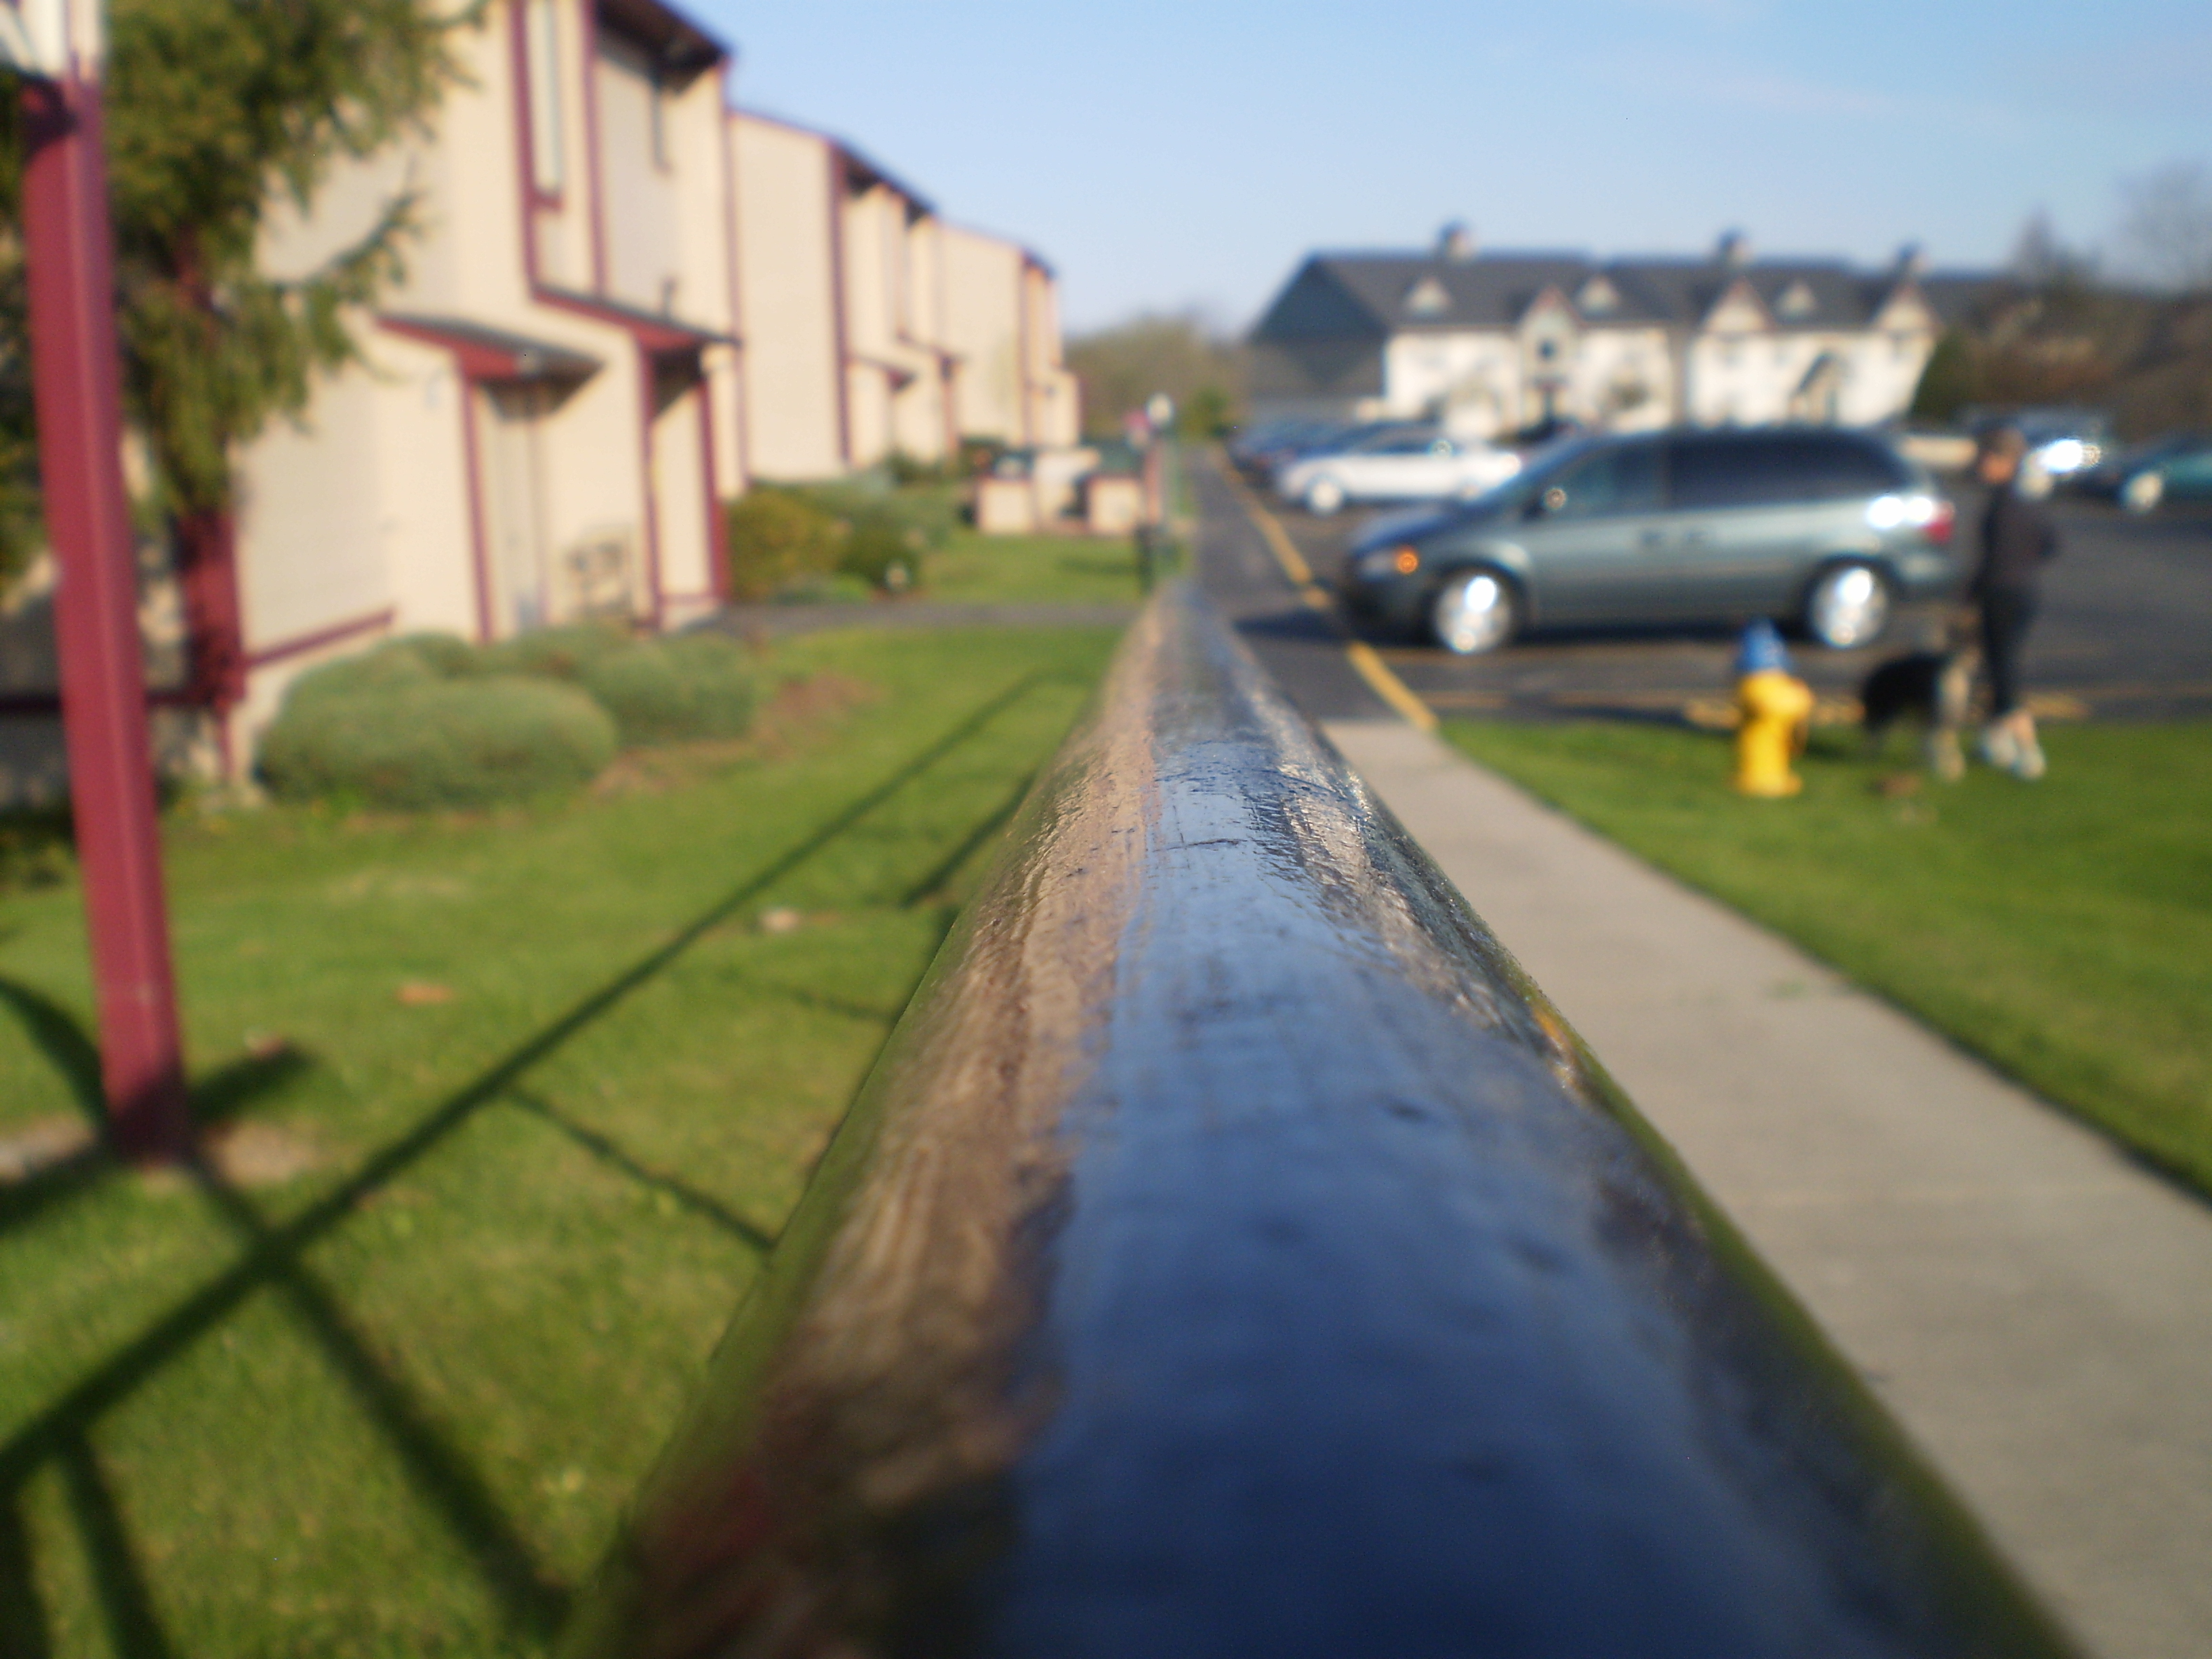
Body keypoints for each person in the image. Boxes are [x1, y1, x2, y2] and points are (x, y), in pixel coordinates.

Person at [1970, 426, 2058, 779]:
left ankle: (2028, 750)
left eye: (1986, 457)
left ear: (2005, 461)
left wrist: (1973, 595)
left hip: (2002, 596)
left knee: (2004, 673)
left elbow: (1994, 561)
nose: (1980, 464)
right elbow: (2052, 543)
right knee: (1997, 667)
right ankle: (1995, 742)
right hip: (2024, 592)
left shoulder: (2004, 504)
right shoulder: (2023, 498)